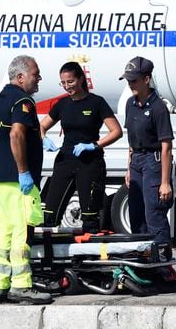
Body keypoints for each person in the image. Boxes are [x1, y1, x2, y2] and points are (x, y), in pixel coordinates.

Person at [0, 55, 52, 305]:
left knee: (4, 232)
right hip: (14, 177)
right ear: (20, 77)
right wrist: (23, 170)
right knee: (21, 230)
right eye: (35, 74)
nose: (39, 78)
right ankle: (22, 285)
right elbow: (17, 134)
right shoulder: (23, 101)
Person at [40, 62, 122, 231]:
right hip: (65, 161)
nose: (67, 86)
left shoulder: (96, 103)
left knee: (90, 217)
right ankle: (51, 253)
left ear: (80, 79)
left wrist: (94, 145)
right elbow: (41, 126)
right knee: (49, 214)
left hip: (90, 163)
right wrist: (44, 139)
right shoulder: (62, 104)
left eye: (70, 81)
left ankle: (89, 253)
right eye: (63, 83)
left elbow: (116, 131)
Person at [121, 56, 174, 248]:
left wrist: (165, 182)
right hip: (136, 161)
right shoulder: (130, 104)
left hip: (154, 161)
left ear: (146, 79)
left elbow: (166, 146)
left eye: (134, 80)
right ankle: (143, 258)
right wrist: (128, 169)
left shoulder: (158, 107)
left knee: (154, 212)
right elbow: (131, 141)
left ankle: (162, 259)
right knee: (136, 213)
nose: (131, 85)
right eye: (128, 81)